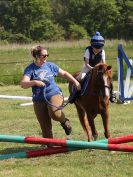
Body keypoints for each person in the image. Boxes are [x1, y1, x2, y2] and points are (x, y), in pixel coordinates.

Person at [20, 45, 81, 140]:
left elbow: (64, 73)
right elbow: (23, 84)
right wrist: (35, 82)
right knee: (45, 126)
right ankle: (50, 145)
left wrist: (75, 81)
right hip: (38, 99)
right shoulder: (30, 69)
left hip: (54, 94)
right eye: (43, 55)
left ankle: (64, 121)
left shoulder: (50, 66)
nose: (46, 57)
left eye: (47, 55)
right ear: (36, 56)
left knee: (54, 114)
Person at [71, 31, 116, 103]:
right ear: (92, 46)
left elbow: (104, 63)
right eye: (96, 47)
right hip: (88, 67)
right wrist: (93, 69)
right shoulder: (88, 50)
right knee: (80, 78)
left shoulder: (103, 51)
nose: (98, 49)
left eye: (99, 47)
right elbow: (87, 64)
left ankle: (111, 93)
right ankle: (74, 96)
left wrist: (105, 70)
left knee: (108, 78)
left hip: (99, 68)